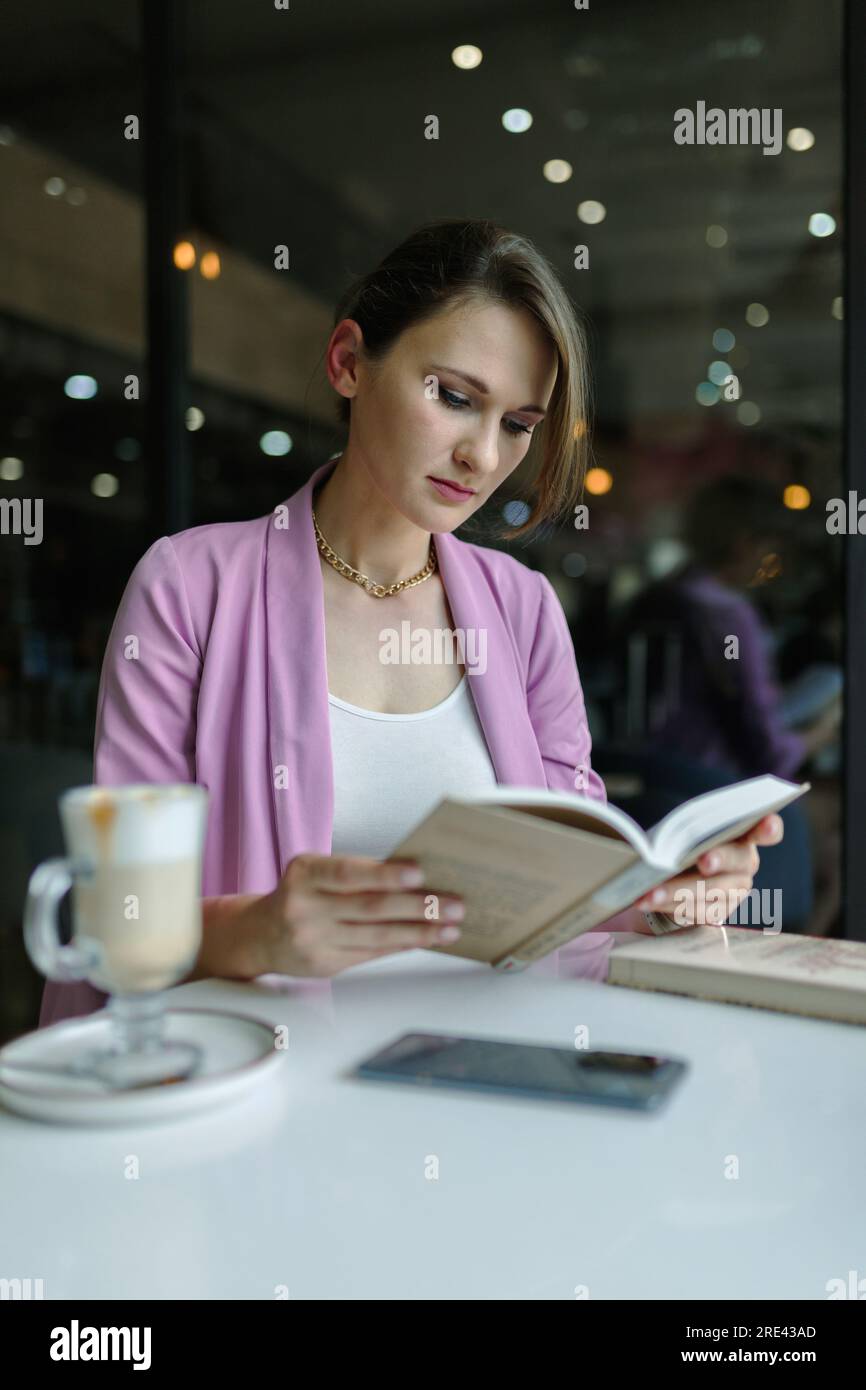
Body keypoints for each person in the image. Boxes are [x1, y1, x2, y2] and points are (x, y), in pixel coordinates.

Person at [39, 219, 782, 1026]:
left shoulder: (525, 612)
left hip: (490, 1064)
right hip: (274, 1071)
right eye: (455, 398)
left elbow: (563, 900)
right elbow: (119, 916)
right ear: (348, 362)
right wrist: (258, 932)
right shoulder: (191, 588)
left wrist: (666, 896)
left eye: (518, 425)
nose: (483, 457)